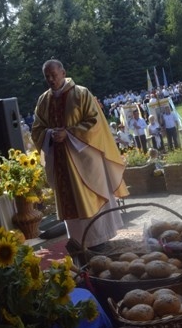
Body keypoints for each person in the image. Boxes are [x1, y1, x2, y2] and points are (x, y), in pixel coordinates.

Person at [31, 59, 128, 252]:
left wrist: (68, 133)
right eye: (47, 76)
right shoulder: (43, 100)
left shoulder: (81, 94)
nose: (51, 79)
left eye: (54, 75)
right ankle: (77, 240)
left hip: (85, 161)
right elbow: (37, 129)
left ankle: (99, 238)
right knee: (71, 202)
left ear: (63, 72)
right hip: (61, 163)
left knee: (89, 197)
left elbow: (96, 123)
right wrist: (50, 134)